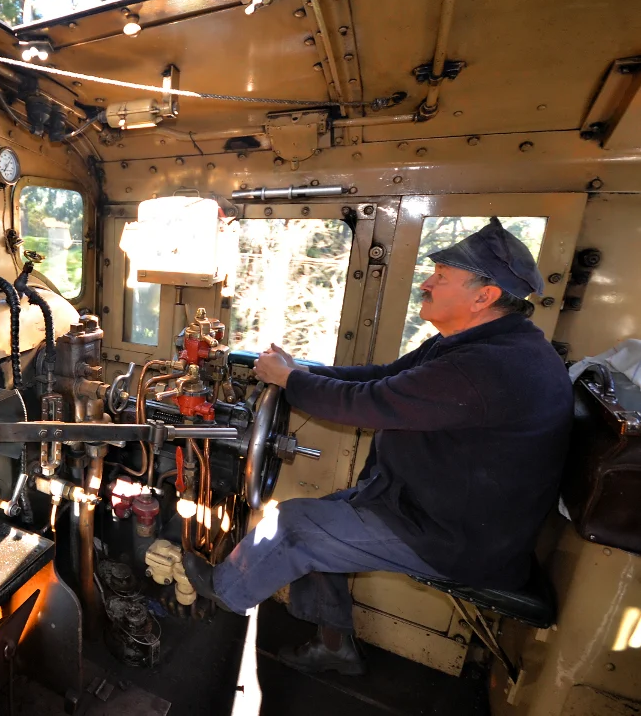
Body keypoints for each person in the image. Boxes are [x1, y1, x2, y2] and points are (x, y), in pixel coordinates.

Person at [182, 217, 573, 675]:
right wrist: (298, 375)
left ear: (483, 296)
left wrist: (291, 380)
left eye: (441, 278)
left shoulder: (488, 366)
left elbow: (370, 403)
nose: (426, 283)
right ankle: (335, 647)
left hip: (454, 537)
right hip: (425, 505)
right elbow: (382, 377)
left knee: (294, 527)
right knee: (320, 528)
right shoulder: (472, 344)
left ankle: (224, 590)